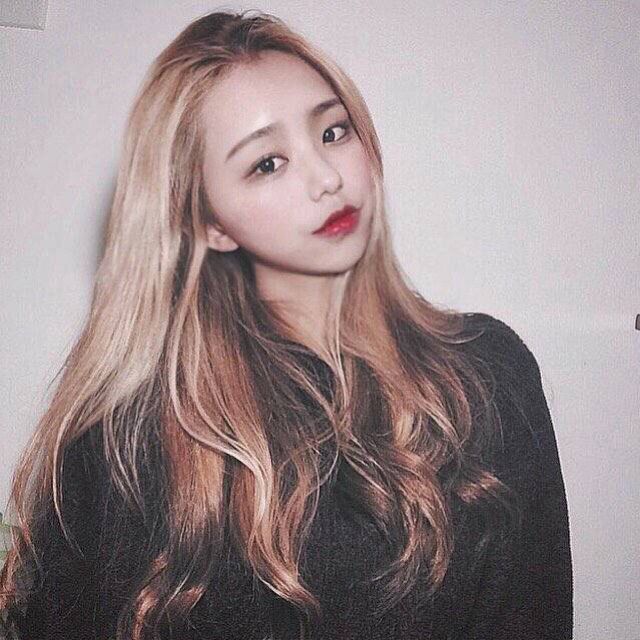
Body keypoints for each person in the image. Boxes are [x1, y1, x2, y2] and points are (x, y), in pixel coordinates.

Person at [0, 9, 572, 640]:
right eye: (267, 163)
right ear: (209, 222)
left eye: (333, 132)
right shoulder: (128, 437)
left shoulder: (488, 372)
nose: (327, 178)